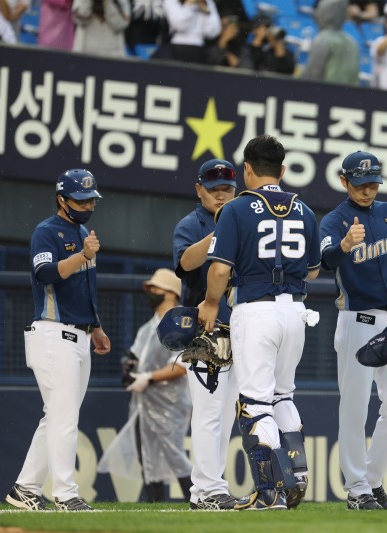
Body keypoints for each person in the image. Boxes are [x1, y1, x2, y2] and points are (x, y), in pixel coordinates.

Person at [199, 135, 321, 511]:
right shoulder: (305, 211)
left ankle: (269, 493)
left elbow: (220, 269)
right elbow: (314, 272)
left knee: (253, 402)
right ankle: (297, 475)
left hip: (255, 309)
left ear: (248, 169)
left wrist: (210, 302)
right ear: (282, 170)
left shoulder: (237, 209)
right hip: (295, 312)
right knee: (283, 394)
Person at [6, 169, 111, 512]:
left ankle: (25, 488)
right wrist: (82, 255)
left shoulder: (82, 232)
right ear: (61, 199)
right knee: (63, 417)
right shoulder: (46, 231)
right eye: (80, 200)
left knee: (56, 416)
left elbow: (85, 288)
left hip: (79, 334)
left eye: (90, 199)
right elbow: (44, 273)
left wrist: (95, 326)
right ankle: (65, 494)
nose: (87, 205)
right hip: (52, 332)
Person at [320, 151, 387, 511]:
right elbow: (325, 259)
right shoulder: (335, 220)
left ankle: (372, 480)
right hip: (358, 320)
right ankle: (357, 489)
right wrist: (344, 246)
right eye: (360, 183)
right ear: (344, 182)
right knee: (355, 409)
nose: (368, 189)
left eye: (373, 182)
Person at [172, 159, 239, 511]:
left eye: (227, 189)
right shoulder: (191, 223)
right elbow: (184, 263)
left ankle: (206, 490)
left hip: (240, 327)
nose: (221, 195)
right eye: (214, 189)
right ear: (199, 190)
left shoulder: (243, 218)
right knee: (209, 413)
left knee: (226, 416)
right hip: (205, 334)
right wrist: (219, 234)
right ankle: (209, 488)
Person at [124, 269, 193, 503]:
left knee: (174, 454)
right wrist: (129, 368)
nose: (152, 292)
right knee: (148, 457)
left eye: (157, 289)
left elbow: (182, 365)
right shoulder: (146, 328)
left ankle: (198, 499)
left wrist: (149, 377)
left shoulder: (180, 324)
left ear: (172, 294)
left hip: (170, 402)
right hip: (143, 404)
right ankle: (155, 506)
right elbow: (134, 357)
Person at [302, 0, 360, 85]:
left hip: (325, 94)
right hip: (348, 96)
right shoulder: (353, 43)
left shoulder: (322, 39)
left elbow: (311, 77)